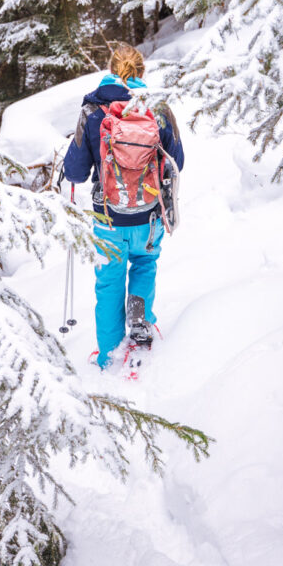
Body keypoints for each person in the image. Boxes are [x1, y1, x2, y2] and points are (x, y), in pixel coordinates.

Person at [63, 43, 184, 367]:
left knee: (109, 282)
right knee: (144, 265)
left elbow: (74, 171)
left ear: (110, 70)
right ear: (142, 72)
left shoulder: (92, 110)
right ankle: (140, 327)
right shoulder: (157, 108)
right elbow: (178, 162)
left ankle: (108, 354)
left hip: (108, 218)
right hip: (149, 216)